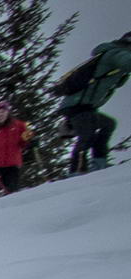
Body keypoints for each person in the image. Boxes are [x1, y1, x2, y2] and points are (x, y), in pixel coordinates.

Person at [59, 33, 130, 174]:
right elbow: (127, 62)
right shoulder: (115, 53)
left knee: (108, 124)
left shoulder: (114, 52)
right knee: (87, 135)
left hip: (85, 106)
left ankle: (99, 163)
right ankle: (75, 171)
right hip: (77, 104)